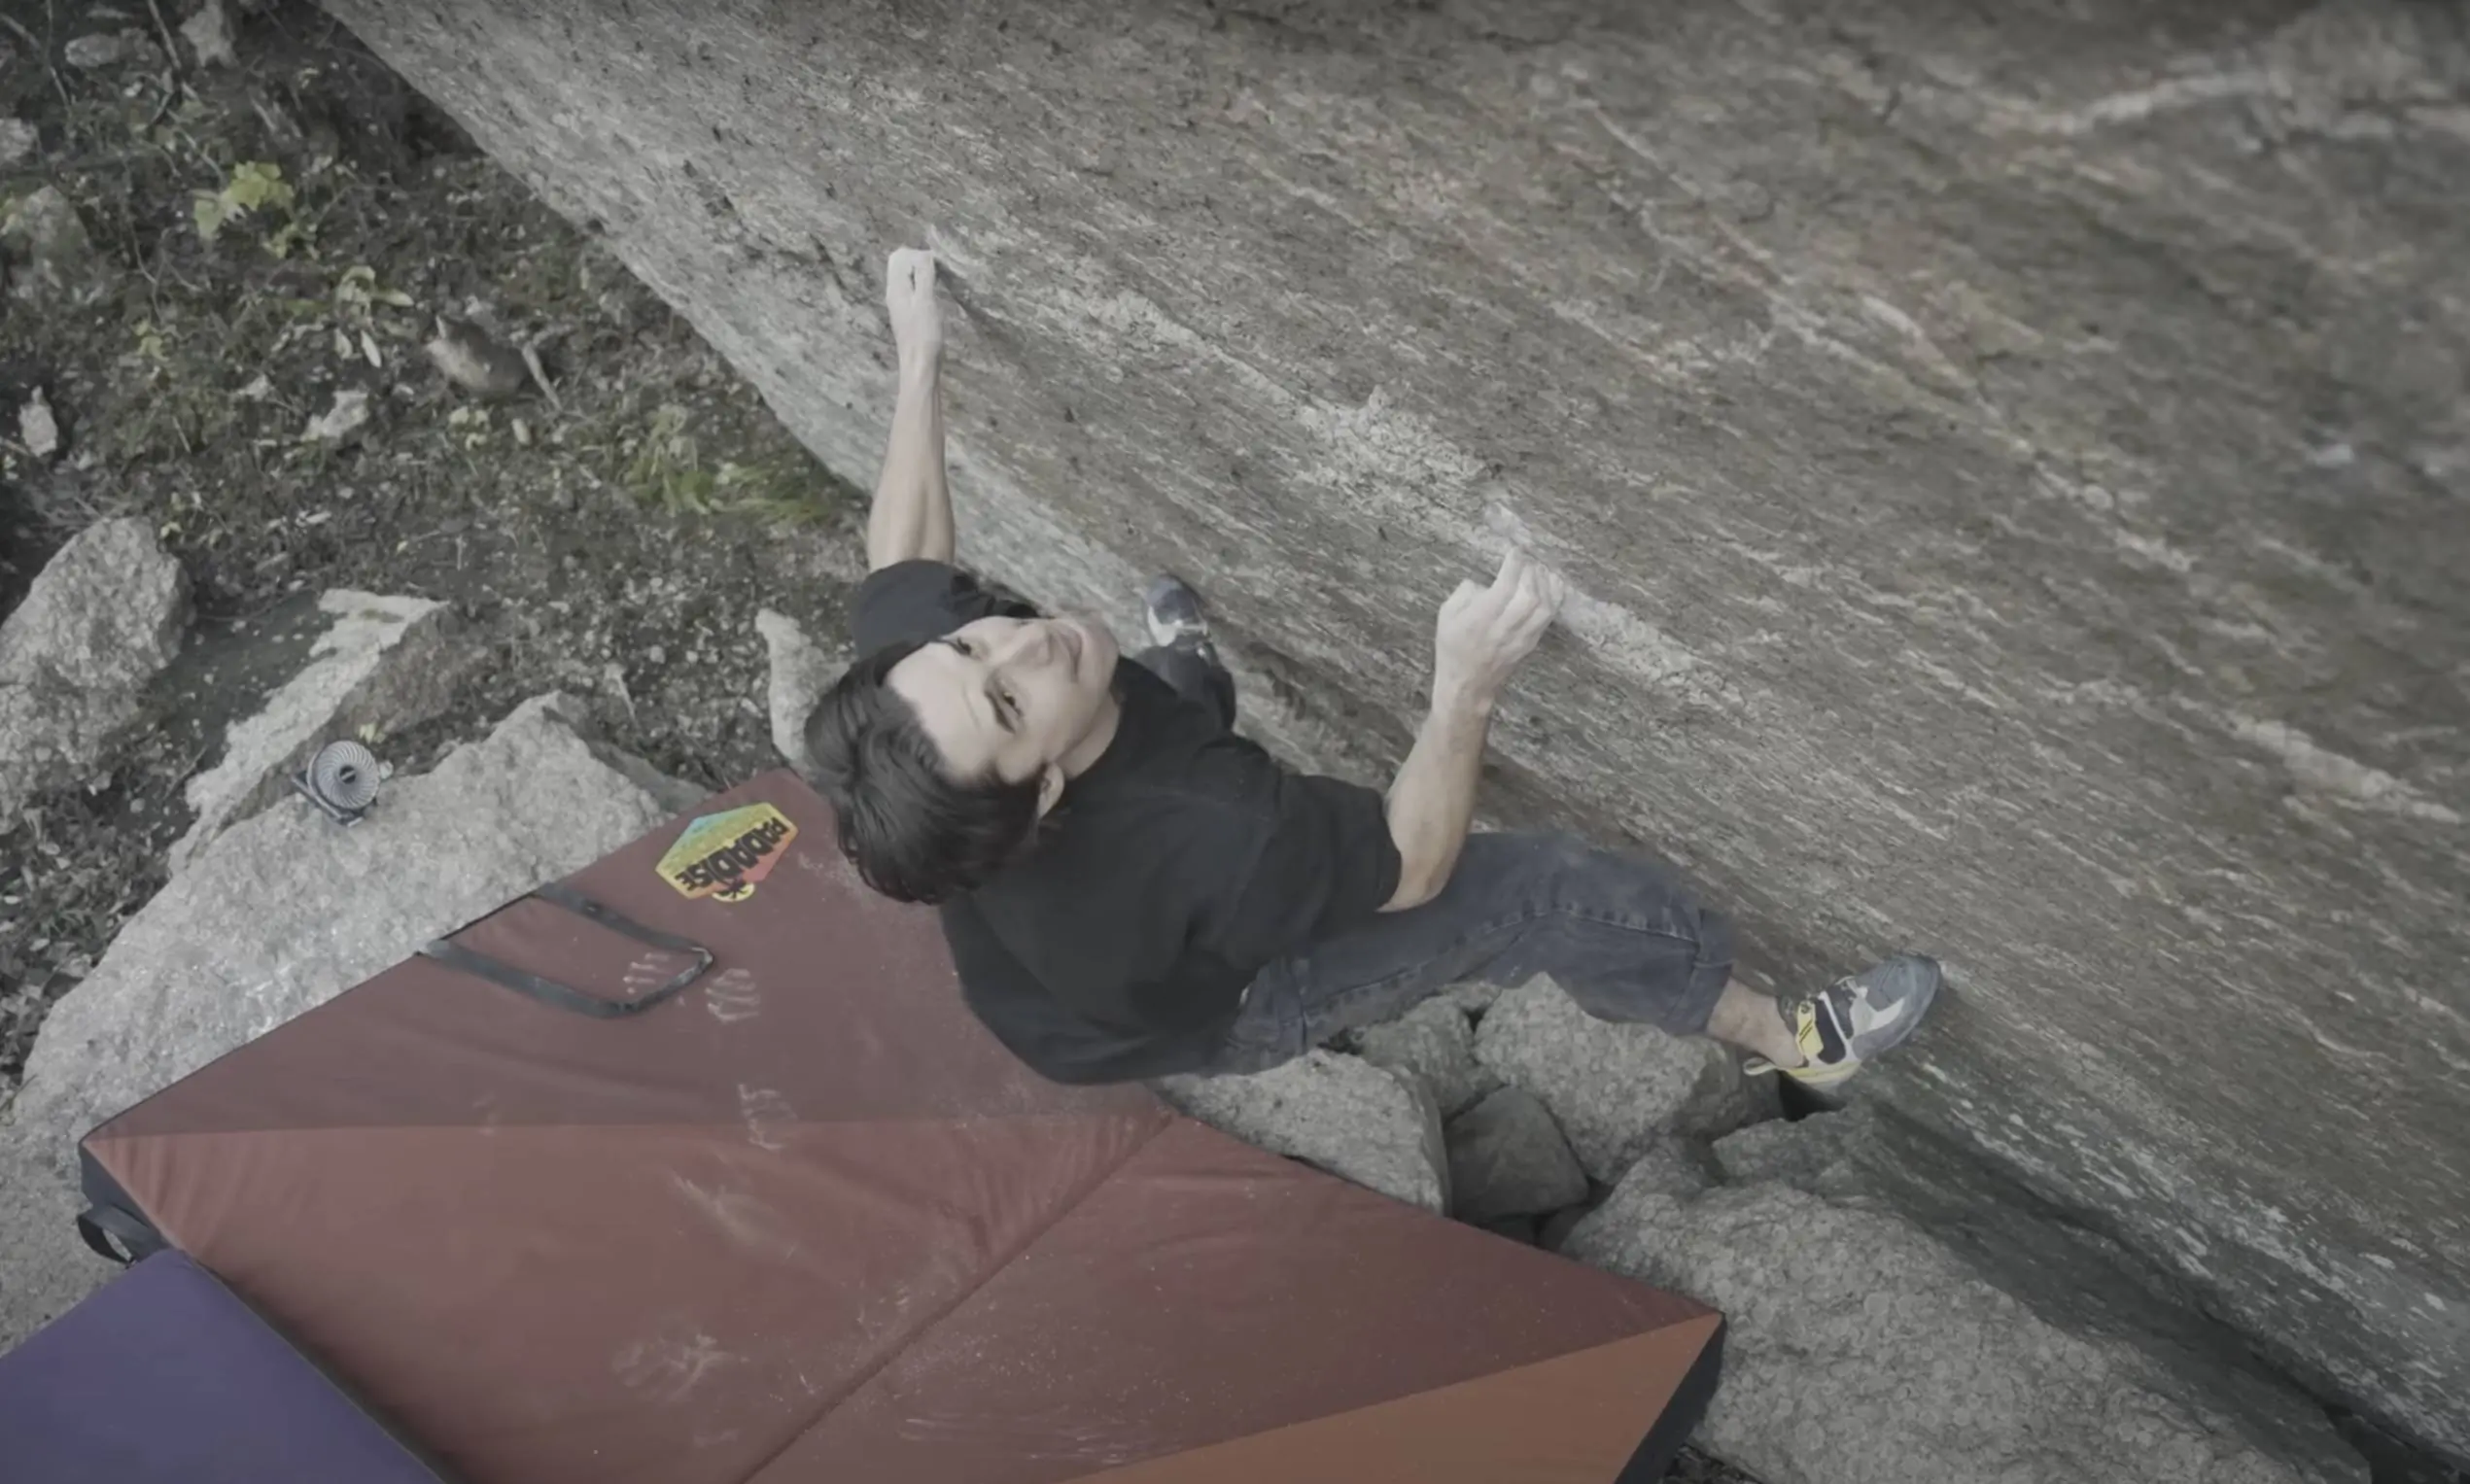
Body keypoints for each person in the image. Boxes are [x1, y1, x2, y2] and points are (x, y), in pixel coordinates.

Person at [802, 247, 1940, 1087]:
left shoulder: (923, 717)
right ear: (1044, 789)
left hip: (1057, 970)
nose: (1022, 637)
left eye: (970, 642)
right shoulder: (1223, 838)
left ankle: (1185, 664)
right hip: (1218, 1002)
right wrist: (1467, 686)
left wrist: (921, 360)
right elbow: (1413, 866)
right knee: (1539, 889)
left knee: (1172, 699)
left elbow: (902, 562)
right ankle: (1794, 1043)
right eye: (1007, 696)